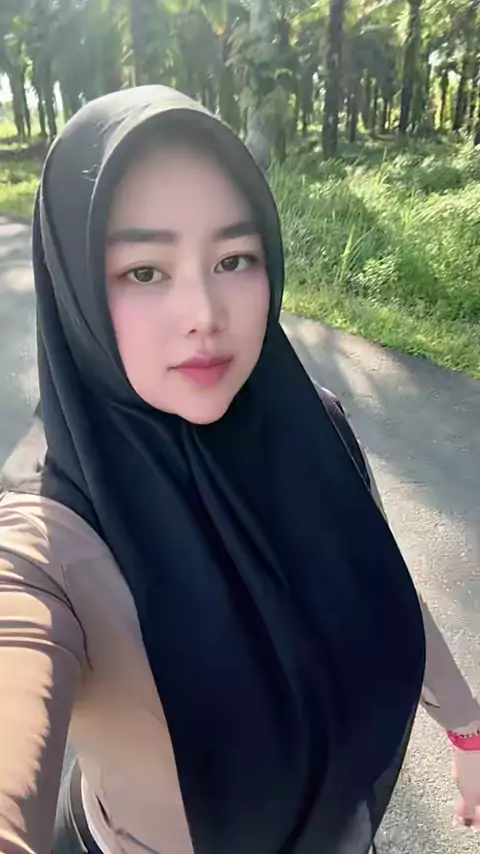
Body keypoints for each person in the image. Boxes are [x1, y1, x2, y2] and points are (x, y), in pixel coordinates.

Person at [0, 86, 478, 854]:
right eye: (144, 271)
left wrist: (467, 728)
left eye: (233, 260)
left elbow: (369, 577)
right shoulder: (45, 534)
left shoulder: (309, 424)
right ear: (76, 286)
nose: (205, 314)